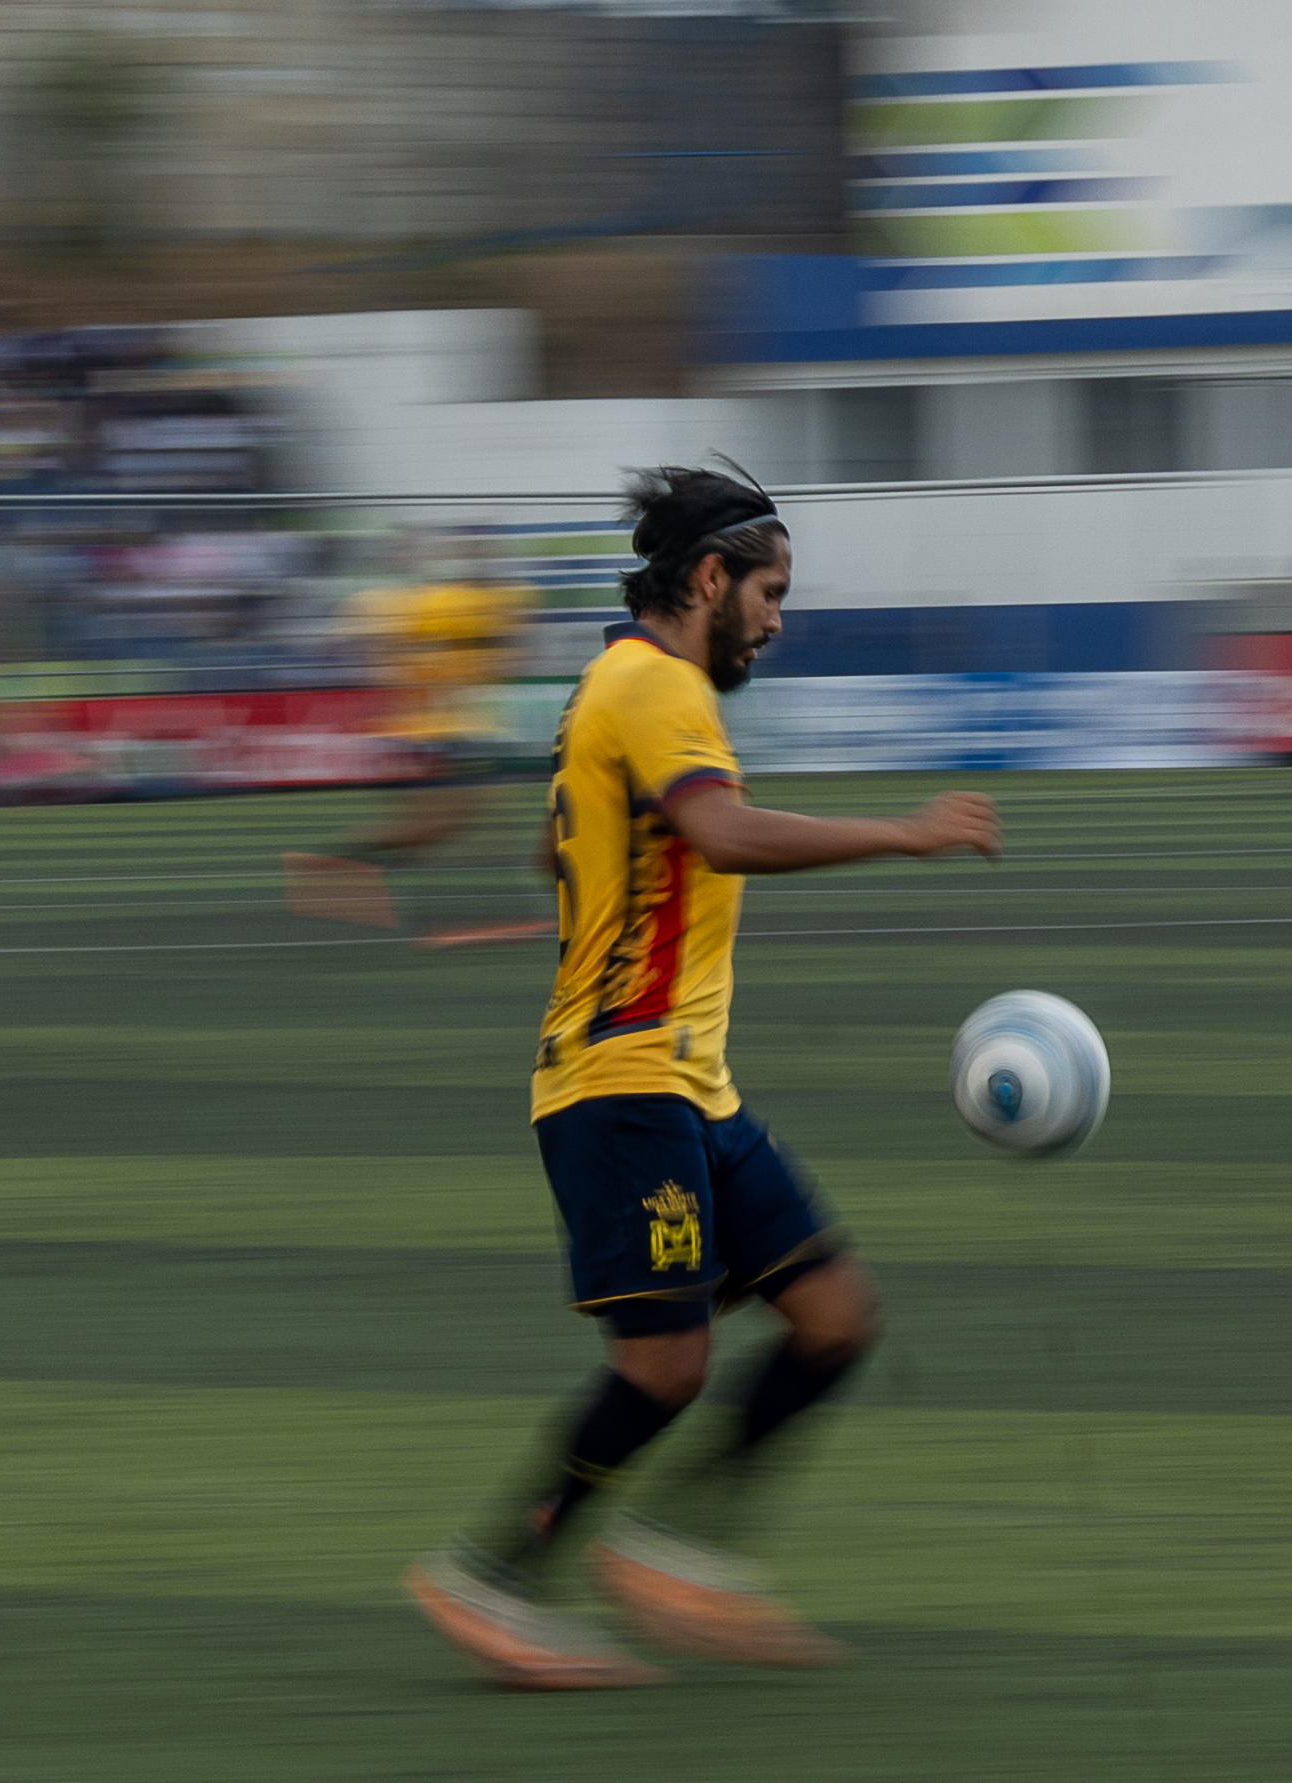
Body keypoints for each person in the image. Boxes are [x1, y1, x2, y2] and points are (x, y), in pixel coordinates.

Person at [404, 463, 1001, 1690]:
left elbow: (553, 839)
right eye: (769, 592)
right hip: (621, 1085)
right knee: (663, 1365)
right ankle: (491, 1579)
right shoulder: (658, 683)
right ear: (708, 578)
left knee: (833, 1316)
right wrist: (908, 831)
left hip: (690, 1085)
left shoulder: (607, 684)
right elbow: (720, 831)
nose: (778, 620)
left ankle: (672, 1556)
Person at [282, 529, 542, 943]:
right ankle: (481, 918)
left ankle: (334, 863)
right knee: (459, 822)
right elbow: (380, 663)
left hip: (454, 728)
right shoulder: (423, 603)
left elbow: (508, 652)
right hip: (441, 730)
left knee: (432, 829)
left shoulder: (485, 600)